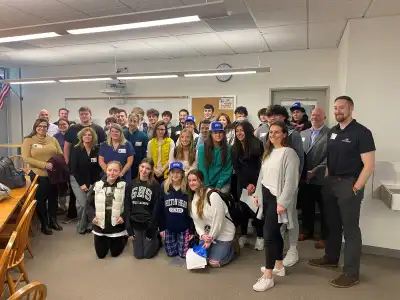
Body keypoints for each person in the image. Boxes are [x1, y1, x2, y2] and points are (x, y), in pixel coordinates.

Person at [309, 96, 375, 288]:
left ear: (351, 108)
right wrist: (328, 178)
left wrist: (356, 187)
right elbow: (330, 159)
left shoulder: (362, 132)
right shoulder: (333, 132)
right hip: (331, 184)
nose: (338, 111)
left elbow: (369, 165)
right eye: (335, 108)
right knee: (332, 224)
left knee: (351, 230)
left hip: (349, 185)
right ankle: (331, 258)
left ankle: (351, 273)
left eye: (342, 108)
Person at [252, 121, 299, 292]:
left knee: (269, 235)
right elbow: (262, 176)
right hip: (266, 197)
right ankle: (278, 264)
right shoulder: (269, 152)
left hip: (278, 199)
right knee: (273, 233)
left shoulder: (289, 153)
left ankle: (268, 276)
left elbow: (291, 182)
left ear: (285, 134)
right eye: (271, 132)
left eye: (277, 132)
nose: (273, 135)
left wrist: (283, 202)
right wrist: (257, 194)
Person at [261, 104, 305, 267]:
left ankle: (293, 248)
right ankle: (278, 256)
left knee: (291, 218)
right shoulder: (267, 136)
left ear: (284, 117)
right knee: (276, 224)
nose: (272, 118)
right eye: (269, 116)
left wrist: (291, 186)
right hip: (272, 187)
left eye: (276, 116)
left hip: (288, 184)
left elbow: (299, 160)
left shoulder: (293, 136)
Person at [21, 118, 64, 235]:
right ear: (35, 127)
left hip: (53, 174)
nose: (42, 128)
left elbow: (60, 154)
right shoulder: (28, 140)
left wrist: (53, 164)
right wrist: (44, 164)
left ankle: (53, 221)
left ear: (47, 128)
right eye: (39, 126)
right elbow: (26, 158)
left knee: (53, 199)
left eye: (45, 126)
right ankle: (44, 224)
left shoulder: (52, 139)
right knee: (40, 200)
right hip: (37, 174)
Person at [188, 169, 237, 268]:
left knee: (213, 263)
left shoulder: (212, 195)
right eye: (189, 181)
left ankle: (233, 248)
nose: (191, 183)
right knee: (202, 259)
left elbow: (218, 221)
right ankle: (215, 247)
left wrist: (210, 239)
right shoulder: (194, 198)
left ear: (201, 181)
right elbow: (196, 222)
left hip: (223, 233)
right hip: (208, 235)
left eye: (194, 180)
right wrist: (202, 235)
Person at [298, 108, 329, 249]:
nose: (315, 117)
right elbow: (298, 154)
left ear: (325, 117)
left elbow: (331, 157)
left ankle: (324, 237)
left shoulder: (331, 134)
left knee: (325, 210)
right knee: (306, 206)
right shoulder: (302, 133)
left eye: (318, 115)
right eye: (313, 115)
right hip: (305, 178)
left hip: (322, 178)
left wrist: (316, 170)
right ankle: (306, 231)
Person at [231, 121, 264, 250]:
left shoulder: (257, 144)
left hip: (257, 183)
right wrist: (246, 184)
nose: (239, 133)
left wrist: (253, 184)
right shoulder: (234, 147)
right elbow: (236, 168)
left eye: (241, 130)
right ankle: (243, 235)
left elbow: (260, 166)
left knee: (257, 211)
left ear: (248, 131)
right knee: (243, 210)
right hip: (242, 183)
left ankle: (260, 237)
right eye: (237, 131)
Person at [87, 161, 127, 259]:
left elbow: (128, 205)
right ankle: (105, 239)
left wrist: (123, 217)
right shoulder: (97, 185)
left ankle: (123, 238)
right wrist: (92, 216)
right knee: (101, 255)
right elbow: (88, 203)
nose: (112, 173)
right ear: (106, 171)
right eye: (110, 170)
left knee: (115, 253)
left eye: (115, 170)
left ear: (120, 172)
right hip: (100, 225)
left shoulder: (125, 186)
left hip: (116, 225)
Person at [125, 158, 162, 259]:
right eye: (142, 167)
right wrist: (129, 229)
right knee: (138, 255)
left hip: (148, 223)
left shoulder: (155, 186)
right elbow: (127, 206)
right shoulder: (131, 184)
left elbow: (156, 209)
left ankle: (156, 239)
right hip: (135, 223)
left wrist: (152, 228)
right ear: (138, 167)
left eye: (148, 168)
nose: (144, 170)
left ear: (151, 171)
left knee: (148, 255)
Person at [70, 127, 103, 234]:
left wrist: (95, 183)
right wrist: (82, 184)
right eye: (85, 135)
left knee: (91, 203)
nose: (87, 137)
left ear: (93, 137)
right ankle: (82, 224)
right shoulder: (76, 149)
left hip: (93, 180)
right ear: (81, 137)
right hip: (77, 179)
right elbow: (74, 169)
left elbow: (98, 167)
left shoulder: (97, 149)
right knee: (82, 203)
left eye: (89, 135)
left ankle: (89, 224)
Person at [159, 162, 195, 260]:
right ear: (169, 173)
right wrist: (162, 228)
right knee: (171, 253)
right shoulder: (164, 186)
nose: (175, 175)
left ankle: (189, 241)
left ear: (183, 174)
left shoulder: (188, 188)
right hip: (169, 226)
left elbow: (192, 211)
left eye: (178, 172)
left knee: (183, 255)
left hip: (184, 227)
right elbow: (160, 209)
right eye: (173, 172)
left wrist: (192, 230)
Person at [197, 121, 232, 193]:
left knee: (219, 198)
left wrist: (219, 185)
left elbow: (227, 169)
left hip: (223, 183)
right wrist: (207, 186)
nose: (218, 135)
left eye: (220, 132)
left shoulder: (228, 148)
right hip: (207, 183)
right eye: (215, 132)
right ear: (211, 134)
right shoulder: (202, 148)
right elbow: (202, 168)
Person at [123, 113, 149, 179]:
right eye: (130, 120)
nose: (132, 123)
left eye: (134, 121)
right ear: (128, 121)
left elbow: (145, 153)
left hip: (137, 167)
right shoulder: (122, 134)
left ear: (138, 123)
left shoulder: (143, 136)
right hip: (123, 166)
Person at [54, 118, 70, 213]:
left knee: (72, 186)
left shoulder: (72, 135)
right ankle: (62, 206)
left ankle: (73, 208)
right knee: (61, 185)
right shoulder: (55, 137)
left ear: (68, 125)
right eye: (60, 125)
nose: (62, 126)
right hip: (60, 164)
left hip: (70, 163)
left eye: (64, 124)